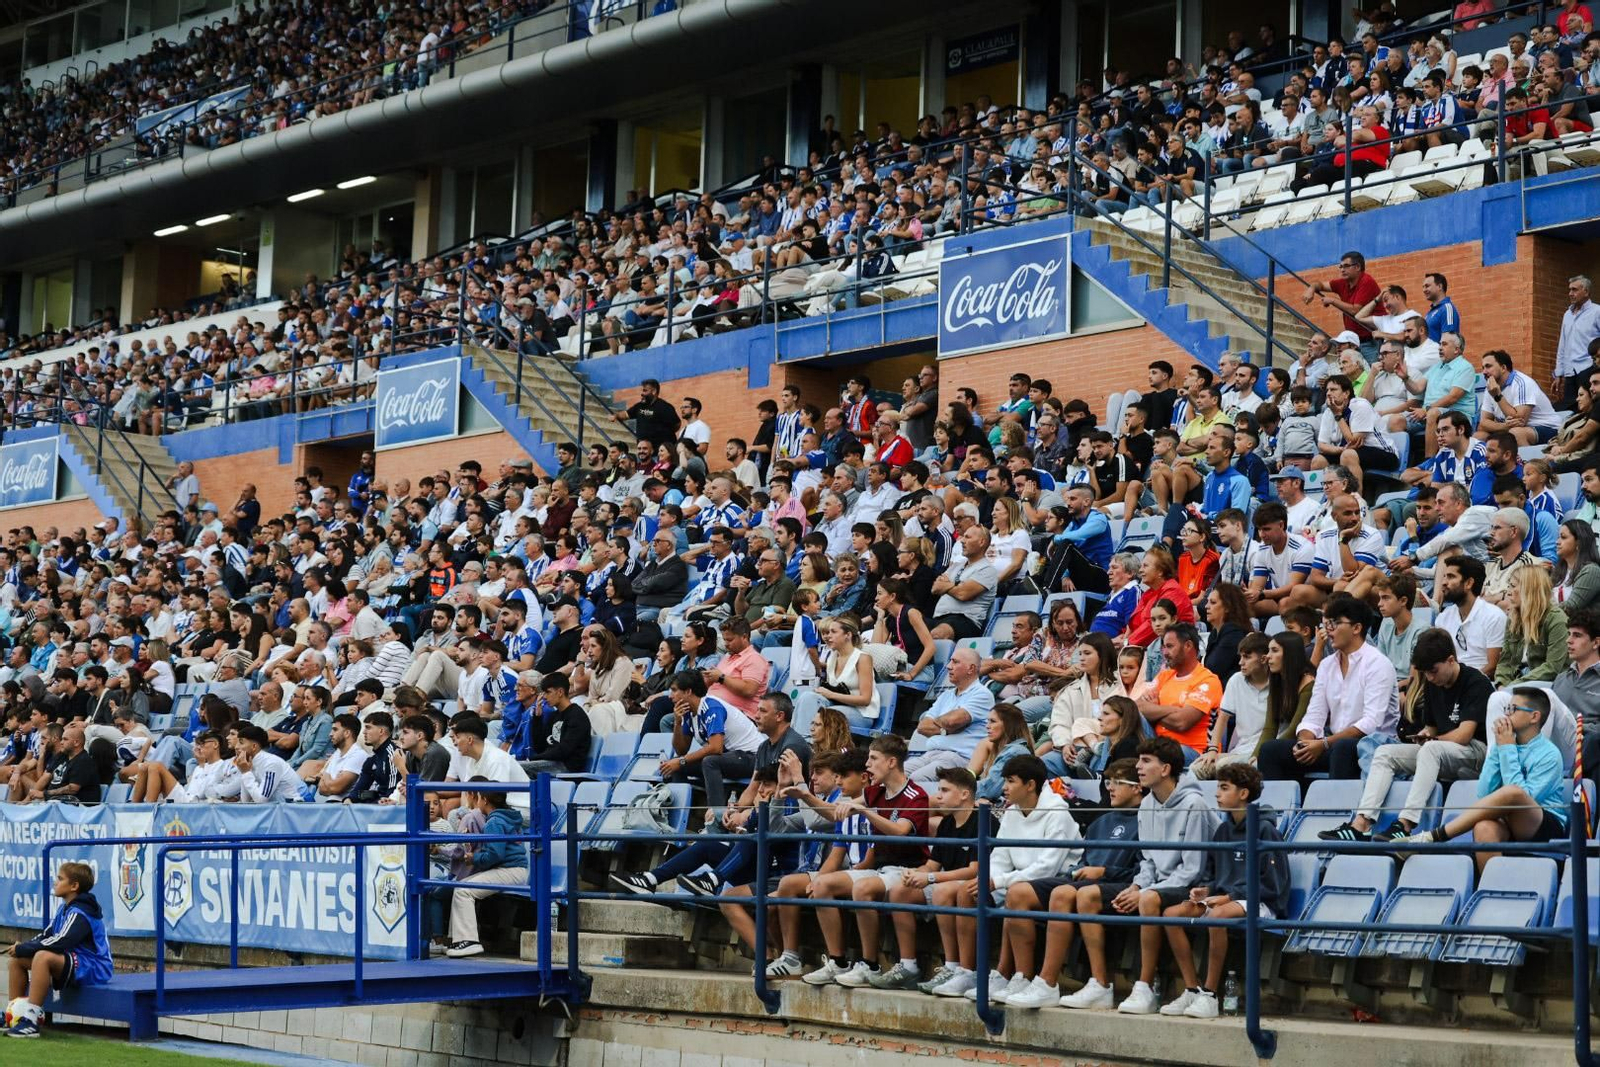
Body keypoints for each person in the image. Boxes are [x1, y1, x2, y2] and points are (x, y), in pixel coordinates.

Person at [1067, 737, 1217, 1013]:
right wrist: (1137, 885)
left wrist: (1146, 891)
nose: (1138, 767)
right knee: (1097, 896)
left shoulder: (1194, 804)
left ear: (1165, 769)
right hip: (1161, 884)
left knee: (1148, 900)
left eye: (1146, 761)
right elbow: (1147, 859)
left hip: (1199, 885)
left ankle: (1144, 987)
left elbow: (1193, 869)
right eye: (1139, 760)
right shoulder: (1147, 804)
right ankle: (1099, 984)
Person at [930, 755, 1081, 1001]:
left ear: (1030, 785)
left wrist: (998, 882)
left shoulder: (1058, 814)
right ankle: (968, 972)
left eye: (1011, 781)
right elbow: (999, 858)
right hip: (1018, 881)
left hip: (1056, 882)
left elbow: (1048, 867)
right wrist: (988, 880)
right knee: (968, 891)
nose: (1004, 788)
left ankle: (1020, 976)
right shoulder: (1011, 813)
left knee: (1015, 894)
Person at [1321, 627, 1492, 843]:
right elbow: (1432, 727)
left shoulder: (1475, 682)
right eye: (1426, 673)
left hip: (1476, 752)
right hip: (1441, 750)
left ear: (1450, 660)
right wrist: (1425, 734)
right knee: (1385, 753)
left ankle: (1405, 825)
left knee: (1431, 749)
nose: (1430, 677)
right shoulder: (1432, 683)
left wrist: (1432, 740)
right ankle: (1361, 825)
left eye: (1433, 671)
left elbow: (1464, 735)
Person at [998, 758, 1144, 1009]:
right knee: (1018, 892)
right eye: (1108, 782)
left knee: (1062, 894)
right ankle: (1022, 978)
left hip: (1119, 884)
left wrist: (1104, 871)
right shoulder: (1100, 822)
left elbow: (1143, 869)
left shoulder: (1145, 820)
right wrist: (1079, 871)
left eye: (1118, 782)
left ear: (1137, 787)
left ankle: (1048, 983)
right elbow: (1084, 860)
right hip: (1081, 881)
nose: (1110, 788)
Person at [1150, 763, 1291, 1018]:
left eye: (1224, 788)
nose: (1217, 793)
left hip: (1261, 901)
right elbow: (1215, 875)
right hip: (1226, 900)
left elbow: (1272, 884)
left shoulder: (1265, 830)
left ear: (1243, 793)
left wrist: (1228, 897)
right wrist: (1205, 891)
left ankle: (1210, 994)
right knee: (1171, 915)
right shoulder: (1223, 830)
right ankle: (1191, 989)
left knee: (1217, 915)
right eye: (1217, 787)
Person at [802, 735, 929, 986]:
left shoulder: (916, 794)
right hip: (880, 871)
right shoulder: (875, 792)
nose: (868, 764)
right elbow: (835, 812)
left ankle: (870, 965)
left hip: (907, 869)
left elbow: (900, 832)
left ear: (891, 762)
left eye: (873, 758)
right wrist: (804, 795)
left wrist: (865, 811)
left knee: (862, 888)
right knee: (822, 885)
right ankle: (838, 962)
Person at [1399, 688, 1569, 872]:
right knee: (1484, 827)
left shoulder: (1550, 754)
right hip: (1508, 820)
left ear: (1534, 717)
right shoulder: (1504, 744)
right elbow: (1484, 793)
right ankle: (1492, 886)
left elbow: (1522, 800)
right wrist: (1499, 749)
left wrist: (1507, 749)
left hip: (1542, 824)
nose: (1506, 714)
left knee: (1513, 792)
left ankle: (1433, 837)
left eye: (1513, 709)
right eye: (1506, 709)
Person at [1258, 593, 1400, 788]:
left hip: (1373, 745)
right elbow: (1314, 715)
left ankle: (1339, 805)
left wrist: (1324, 743)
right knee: (1271, 750)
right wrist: (1305, 742)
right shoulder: (1327, 665)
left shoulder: (1378, 664)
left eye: (1336, 623)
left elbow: (1370, 723)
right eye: (1328, 624)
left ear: (1356, 628)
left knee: (1343, 748)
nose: (1329, 630)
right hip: (1333, 743)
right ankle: (1286, 806)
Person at [863, 767, 986, 991]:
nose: (938, 796)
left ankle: (953, 966)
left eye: (945, 790)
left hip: (975, 885)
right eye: (938, 790)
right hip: (946, 882)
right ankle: (908, 966)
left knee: (941, 891)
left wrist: (930, 877)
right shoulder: (947, 823)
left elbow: (975, 871)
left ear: (965, 794)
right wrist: (916, 873)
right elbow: (932, 864)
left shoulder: (983, 821)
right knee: (900, 890)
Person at [4, 861, 112, 1039]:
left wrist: (24, 948)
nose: (55, 882)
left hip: (95, 966)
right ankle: (12, 1014)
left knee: (42, 957)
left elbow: (61, 942)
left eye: (60, 879)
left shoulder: (81, 912)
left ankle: (31, 1020)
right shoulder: (64, 908)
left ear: (74, 886)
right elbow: (46, 936)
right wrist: (21, 948)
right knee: (17, 961)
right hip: (77, 960)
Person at [428, 780, 529, 958]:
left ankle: (469, 941)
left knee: (463, 891)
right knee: (460, 886)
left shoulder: (494, 821)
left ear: (484, 799)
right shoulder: (505, 816)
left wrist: (474, 858)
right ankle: (457, 940)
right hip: (513, 870)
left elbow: (495, 855)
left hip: (510, 870)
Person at [661, 669, 765, 818]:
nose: (670, 696)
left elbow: (716, 748)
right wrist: (678, 723)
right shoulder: (687, 712)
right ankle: (680, 818)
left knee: (709, 761)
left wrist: (681, 760)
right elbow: (681, 750)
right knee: (675, 767)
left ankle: (716, 817)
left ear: (688, 691)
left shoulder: (711, 706)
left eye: (674, 690)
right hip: (731, 758)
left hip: (754, 758)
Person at [903, 647, 995, 782]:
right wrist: (947, 730)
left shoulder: (982, 694)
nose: (948, 666)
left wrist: (943, 723)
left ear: (971, 669)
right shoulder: (946, 695)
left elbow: (952, 721)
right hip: (930, 754)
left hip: (958, 757)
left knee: (916, 779)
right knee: (894, 774)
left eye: (955, 662)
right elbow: (922, 727)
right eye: (950, 661)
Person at [1135, 623, 1222, 761]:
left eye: (1169, 646)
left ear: (1188, 646)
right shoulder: (1164, 676)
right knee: (1123, 715)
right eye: (1163, 647)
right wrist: (1172, 710)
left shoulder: (1207, 681)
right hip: (1159, 743)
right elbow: (1137, 707)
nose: (1164, 652)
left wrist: (1154, 711)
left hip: (1194, 751)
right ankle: (1102, 770)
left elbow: (1181, 723)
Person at [1191, 632, 1272, 779]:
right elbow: (1222, 718)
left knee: (1224, 766)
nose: (1241, 662)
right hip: (1240, 750)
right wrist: (1212, 750)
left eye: (1247, 657)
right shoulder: (1236, 680)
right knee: (1195, 768)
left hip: (1263, 752)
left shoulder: (1278, 682)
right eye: (1240, 657)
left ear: (1263, 659)